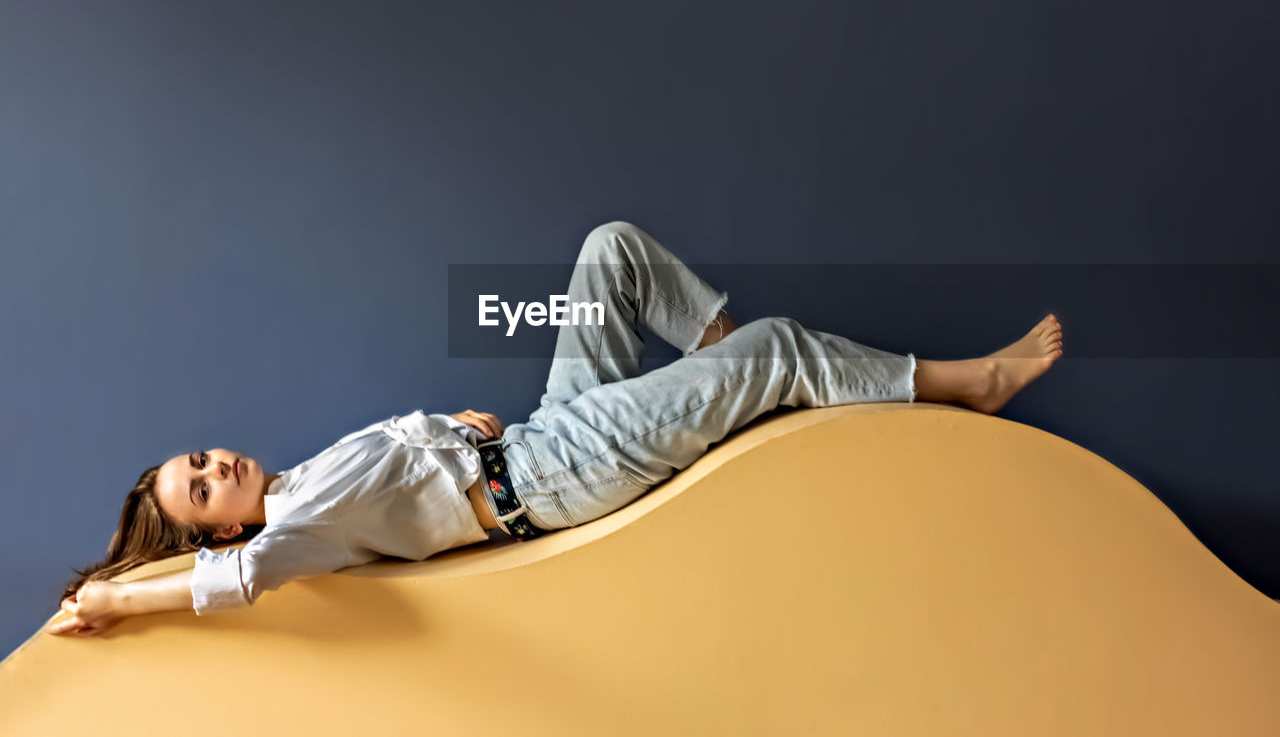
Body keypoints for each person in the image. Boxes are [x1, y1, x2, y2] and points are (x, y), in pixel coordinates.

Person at [47, 220, 1064, 638]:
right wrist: (119, 602)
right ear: (221, 528)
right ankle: (956, 383)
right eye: (203, 487)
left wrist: (454, 425)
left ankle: (712, 368)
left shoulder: (304, 477)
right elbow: (233, 585)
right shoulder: (288, 532)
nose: (215, 463)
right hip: (557, 474)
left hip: (534, 437)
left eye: (200, 458)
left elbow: (404, 468)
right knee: (776, 346)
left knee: (609, 250)